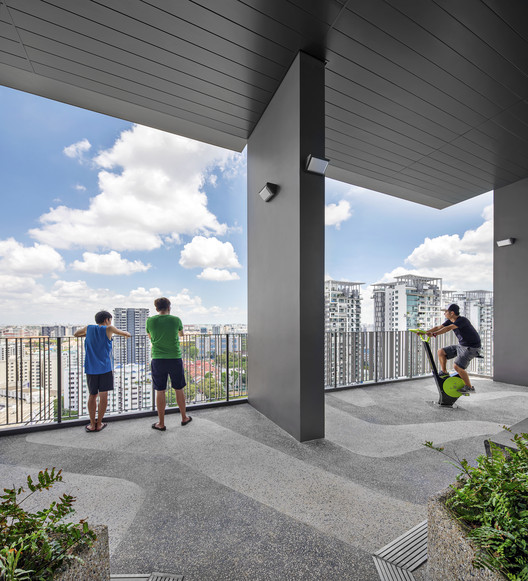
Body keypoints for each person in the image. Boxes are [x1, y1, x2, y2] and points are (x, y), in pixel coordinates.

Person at [74, 311, 131, 432]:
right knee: (103, 396)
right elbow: (126, 334)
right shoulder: (109, 328)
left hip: (90, 368)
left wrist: (87, 335)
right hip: (105, 368)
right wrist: (126, 334)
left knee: (92, 395)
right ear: (107, 320)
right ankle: (99, 423)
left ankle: (91, 424)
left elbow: (76, 334)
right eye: (110, 320)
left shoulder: (88, 328)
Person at [146, 297, 192, 431]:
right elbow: (181, 334)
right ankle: (184, 417)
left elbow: (150, 336)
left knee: (160, 390)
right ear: (169, 307)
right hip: (174, 358)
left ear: (156, 308)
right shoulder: (176, 320)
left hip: (158, 358)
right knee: (179, 388)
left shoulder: (150, 321)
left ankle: (161, 423)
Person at [424, 303, 481, 394]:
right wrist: (425, 332)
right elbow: (438, 327)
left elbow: (448, 328)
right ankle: (444, 372)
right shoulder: (450, 320)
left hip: (472, 347)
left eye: (446, 312)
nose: (444, 314)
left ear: (452, 313)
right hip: (462, 345)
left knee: (457, 366)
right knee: (441, 352)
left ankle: (469, 387)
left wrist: (434, 334)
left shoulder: (462, 320)